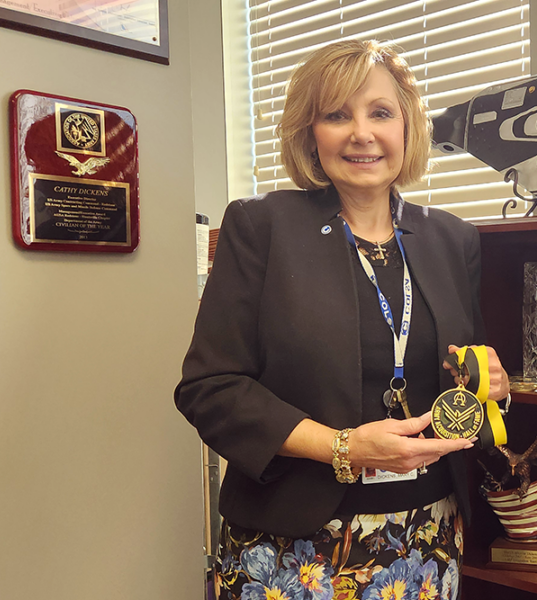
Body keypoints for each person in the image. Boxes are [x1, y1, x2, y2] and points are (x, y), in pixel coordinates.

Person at [175, 39, 508, 600]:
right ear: (311, 133)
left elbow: (461, 377)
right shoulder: (261, 228)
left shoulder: (454, 240)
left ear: (407, 127)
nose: (361, 133)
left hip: (425, 540)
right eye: (336, 115)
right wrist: (342, 447)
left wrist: (489, 385)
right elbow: (210, 389)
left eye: (380, 112)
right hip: (290, 549)